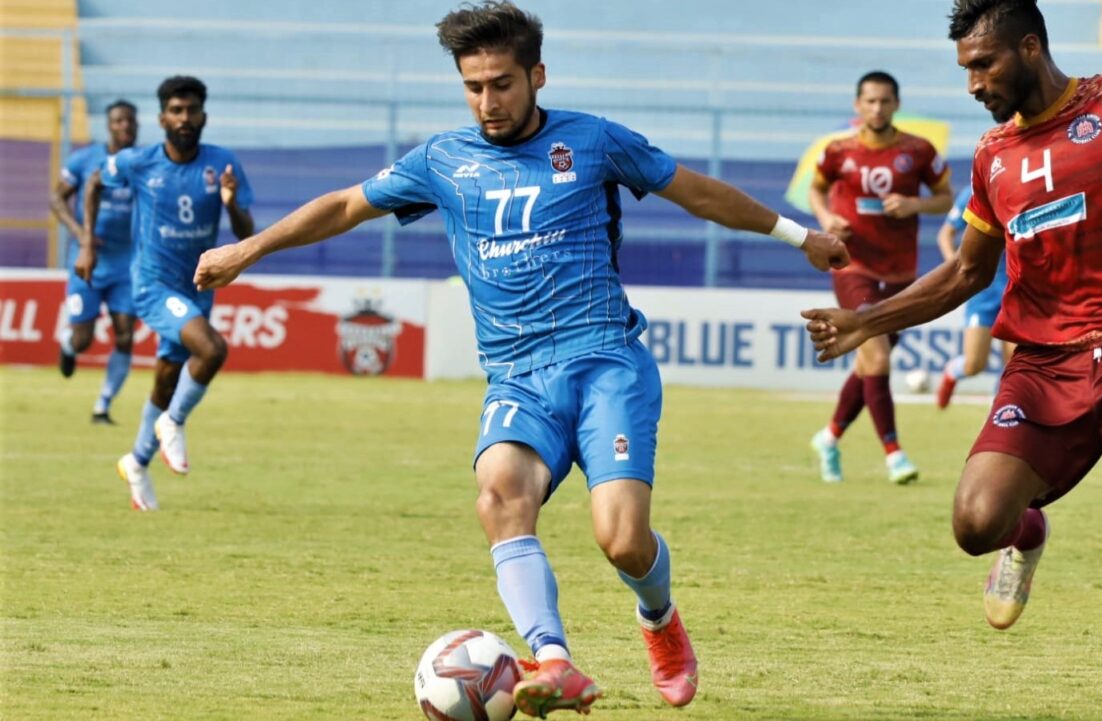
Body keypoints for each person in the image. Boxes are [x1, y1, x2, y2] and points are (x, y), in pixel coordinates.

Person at [192, 2, 847, 716]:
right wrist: (247, 249)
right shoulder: (443, 160)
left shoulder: (592, 141)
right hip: (517, 377)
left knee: (622, 541)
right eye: (473, 86)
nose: (487, 101)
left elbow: (696, 191)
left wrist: (800, 237)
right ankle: (554, 661)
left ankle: (659, 620)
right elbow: (347, 205)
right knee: (499, 495)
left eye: (501, 83)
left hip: (605, 362)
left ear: (537, 75)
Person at [801, 1, 1102, 719]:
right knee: (975, 523)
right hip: (1044, 364)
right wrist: (862, 321)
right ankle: (1028, 531)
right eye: (965, 70)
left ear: (1029, 47)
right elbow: (966, 274)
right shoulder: (993, 156)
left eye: (983, 65)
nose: (972, 84)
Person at [85, 75, 255, 511]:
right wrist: (87, 244)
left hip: (197, 286)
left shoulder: (222, 163)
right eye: (176, 111)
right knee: (212, 349)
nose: (184, 118)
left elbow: (245, 233)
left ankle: (136, 463)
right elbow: (94, 183)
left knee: (166, 379)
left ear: (204, 116)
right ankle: (173, 423)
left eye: (192, 110)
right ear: (162, 118)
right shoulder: (138, 162)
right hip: (153, 285)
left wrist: (231, 202)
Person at [807, 70, 953, 485]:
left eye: (885, 101)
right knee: (878, 356)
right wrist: (827, 219)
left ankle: (829, 437)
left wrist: (913, 205)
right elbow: (817, 190)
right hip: (852, 266)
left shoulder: (919, 151)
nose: (877, 108)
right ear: (858, 105)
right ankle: (894, 455)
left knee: (868, 362)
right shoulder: (837, 151)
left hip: (901, 272)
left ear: (896, 104)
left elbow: (945, 198)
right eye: (870, 101)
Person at [50, 100, 139, 423]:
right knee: (84, 339)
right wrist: (81, 235)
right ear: (109, 125)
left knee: (125, 334)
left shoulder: (143, 162)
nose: (125, 126)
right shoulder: (85, 159)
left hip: (127, 264)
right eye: (119, 121)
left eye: (130, 121)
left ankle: (102, 406)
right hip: (87, 260)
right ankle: (69, 346)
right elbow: (57, 197)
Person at [933, 183, 1014, 408]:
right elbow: (945, 234)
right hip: (982, 292)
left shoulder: (1020, 186)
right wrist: (957, 268)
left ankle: (999, 413)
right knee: (974, 364)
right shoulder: (972, 193)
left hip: (1015, 288)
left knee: (1013, 363)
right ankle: (952, 372)